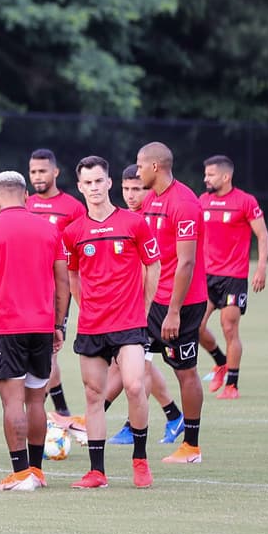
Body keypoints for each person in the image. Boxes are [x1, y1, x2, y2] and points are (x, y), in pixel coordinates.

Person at [0, 171, 69, 492]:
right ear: (25, 196)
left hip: (8, 329)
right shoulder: (49, 229)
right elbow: (63, 282)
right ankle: (36, 471)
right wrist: (58, 325)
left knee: (12, 402)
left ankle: (21, 474)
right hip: (42, 328)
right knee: (36, 401)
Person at [63, 156, 162, 489]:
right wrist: (86, 306)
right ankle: (97, 472)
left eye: (98, 181)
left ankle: (140, 460)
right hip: (92, 326)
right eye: (87, 183)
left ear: (109, 183)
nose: (94, 187)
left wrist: (144, 306)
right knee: (94, 396)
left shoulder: (134, 223)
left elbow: (154, 265)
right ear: (80, 187)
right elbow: (72, 275)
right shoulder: (72, 232)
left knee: (134, 385)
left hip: (129, 322)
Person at [137, 141, 208, 465]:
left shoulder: (184, 203)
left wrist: (174, 312)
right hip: (153, 300)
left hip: (181, 305)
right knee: (129, 360)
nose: (137, 171)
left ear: (155, 166)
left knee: (185, 371)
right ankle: (92, 424)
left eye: (140, 165)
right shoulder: (150, 200)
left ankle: (191, 446)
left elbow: (186, 263)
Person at [106, 164, 185, 446]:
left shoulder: (151, 219)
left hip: (155, 302)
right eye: (126, 189)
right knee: (138, 363)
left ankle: (112, 421)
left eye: (137, 189)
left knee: (135, 365)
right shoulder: (126, 217)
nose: (130, 195)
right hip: (131, 303)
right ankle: (174, 416)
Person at [26, 148, 88, 434]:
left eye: (42, 171)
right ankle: (61, 411)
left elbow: (82, 249)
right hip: (27, 289)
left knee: (47, 353)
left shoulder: (73, 208)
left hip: (56, 289)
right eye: (33, 171)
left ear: (55, 172)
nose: (37, 176)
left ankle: (52, 414)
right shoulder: (25, 205)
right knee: (40, 355)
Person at [198, 155, 268, 399]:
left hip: (233, 277)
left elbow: (262, 235)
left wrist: (261, 268)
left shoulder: (245, 201)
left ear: (226, 176)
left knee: (229, 327)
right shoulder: (202, 201)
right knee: (194, 327)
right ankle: (220, 362)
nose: (206, 179)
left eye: (211, 175)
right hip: (205, 276)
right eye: (205, 174)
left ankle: (232, 386)